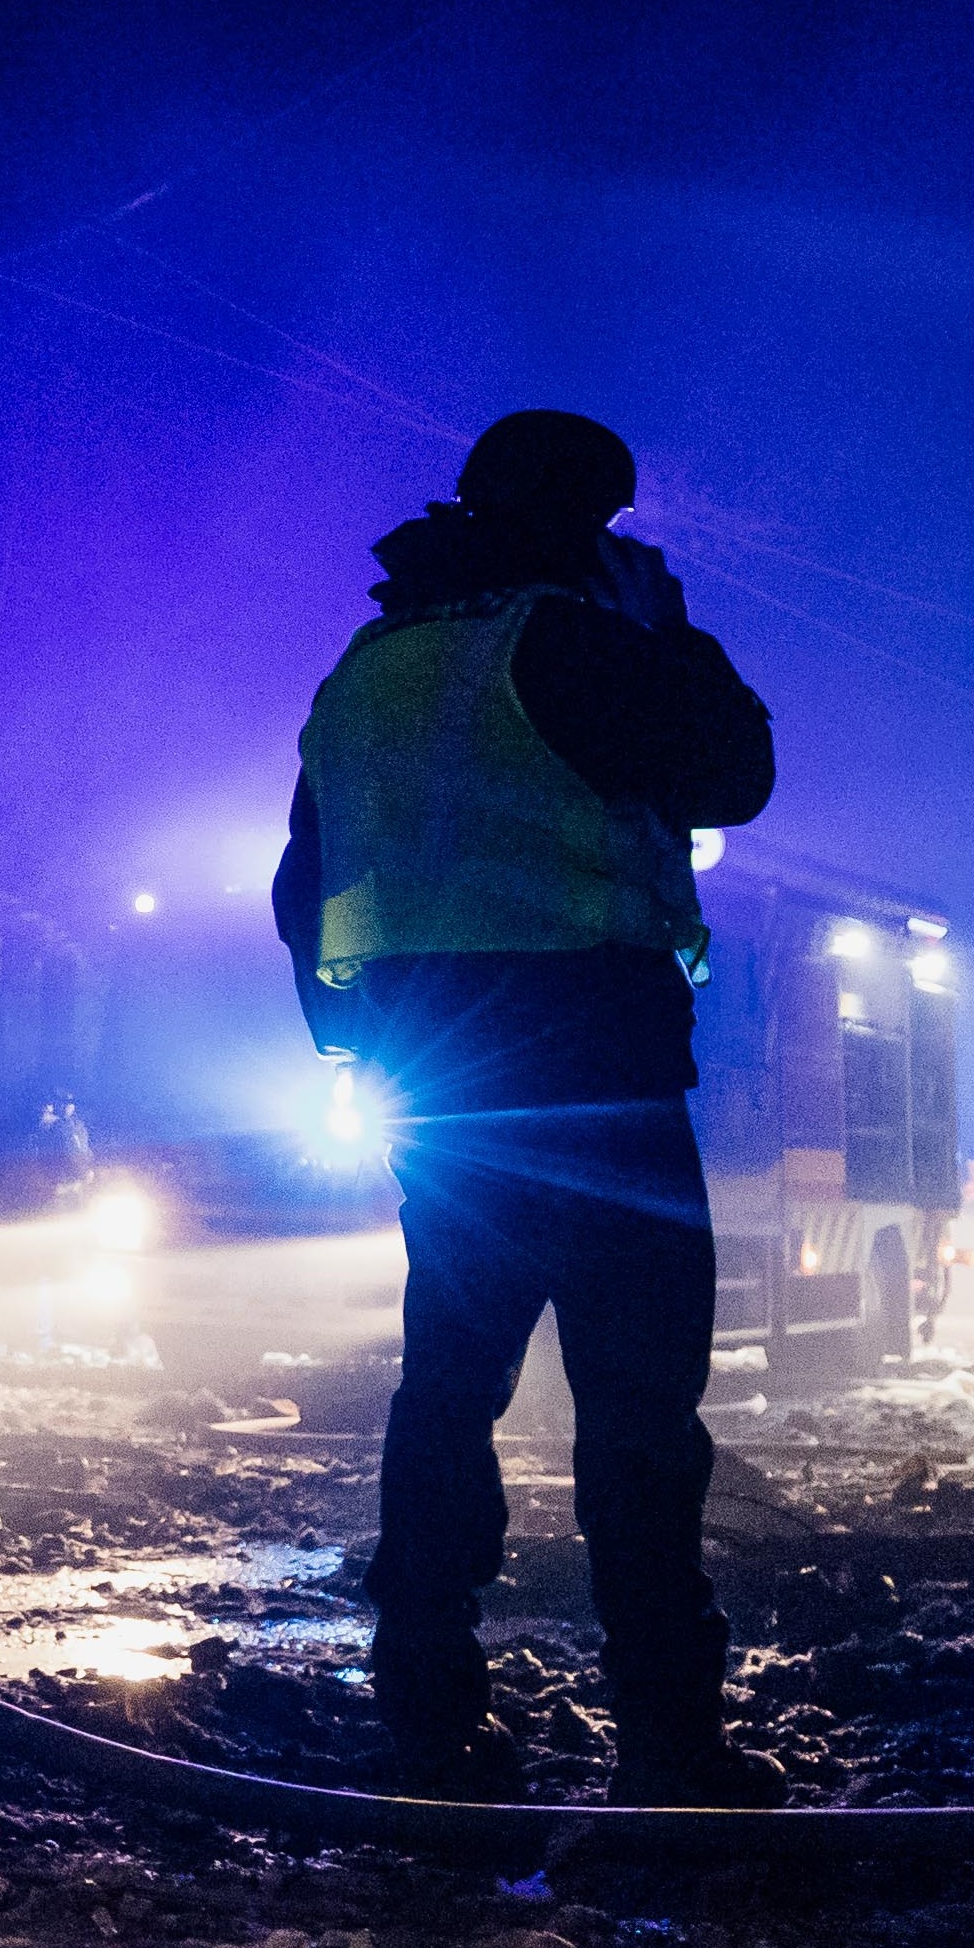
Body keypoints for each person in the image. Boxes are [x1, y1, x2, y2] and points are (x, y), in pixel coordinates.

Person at [273, 408, 781, 1809]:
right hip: (600, 1081)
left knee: (447, 1394)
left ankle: (428, 1718)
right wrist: (667, 626)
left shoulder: (366, 670)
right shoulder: (564, 644)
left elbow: (302, 891)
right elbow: (734, 767)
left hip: (444, 1096)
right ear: (586, 525)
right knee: (637, 1420)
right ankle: (671, 1746)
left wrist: (363, 1041)